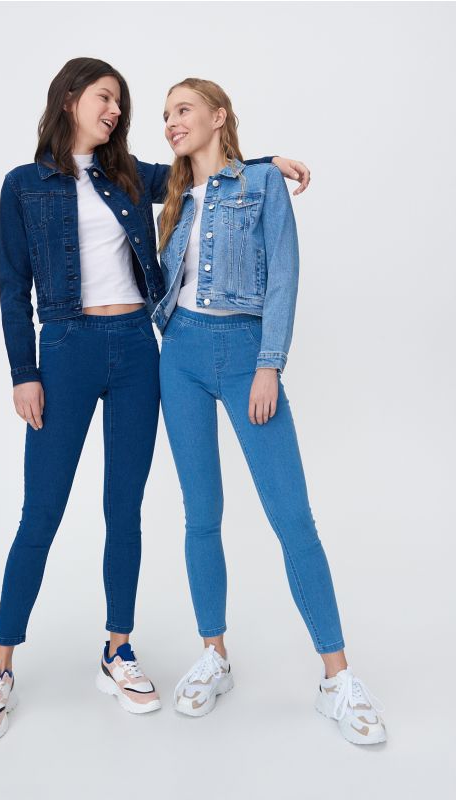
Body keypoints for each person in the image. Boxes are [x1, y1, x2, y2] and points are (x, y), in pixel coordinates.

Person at [0, 58, 307, 740]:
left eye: (120, 101)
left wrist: (266, 162)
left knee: (124, 508)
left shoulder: (127, 176)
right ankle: (0, 662)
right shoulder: (23, 185)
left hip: (136, 351)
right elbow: (11, 287)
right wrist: (23, 371)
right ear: (69, 99)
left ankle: (117, 648)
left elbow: (202, 169)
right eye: (105, 97)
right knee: (41, 511)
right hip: (65, 351)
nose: (115, 110)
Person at [155, 78, 386, 745]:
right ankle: (214, 655)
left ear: (218, 115)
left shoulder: (261, 185)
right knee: (201, 514)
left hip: (244, 352)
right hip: (180, 357)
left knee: (292, 518)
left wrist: (269, 364)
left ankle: (336, 678)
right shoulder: (172, 195)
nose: (170, 121)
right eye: (165, 114)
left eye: (182, 110)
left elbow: (283, 275)